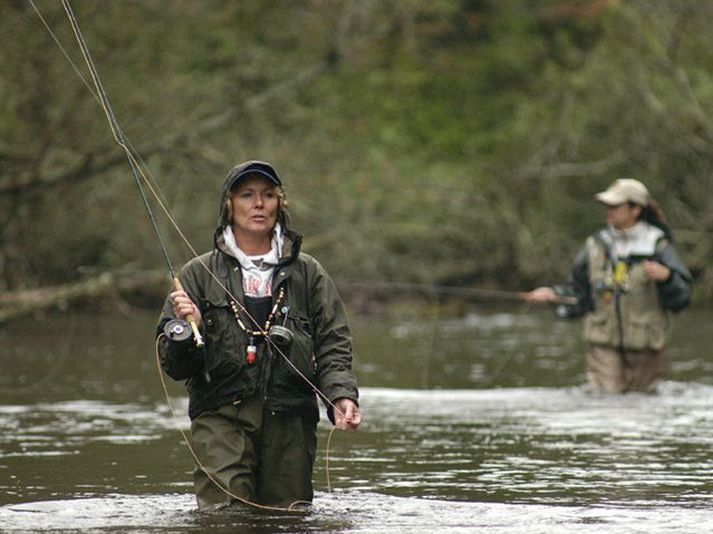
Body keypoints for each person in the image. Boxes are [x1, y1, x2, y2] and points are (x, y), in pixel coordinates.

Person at [156, 160, 361, 510]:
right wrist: (190, 331)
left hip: (291, 417)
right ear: (229, 205)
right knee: (225, 516)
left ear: (279, 204)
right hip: (220, 412)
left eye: (268, 195)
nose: (259, 204)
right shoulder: (197, 274)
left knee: (289, 517)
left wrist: (340, 396)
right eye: (247, 195)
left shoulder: (308, 272)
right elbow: (174, 365)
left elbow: (333, 343)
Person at [524, 178, 692, 393]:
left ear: (635, 209)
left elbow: (682, 299)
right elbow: (579, 293)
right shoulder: (595, 245)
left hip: (646, 348)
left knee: (642, 404)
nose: (608, 211)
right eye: (607, 206)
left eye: (615, 206)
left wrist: (667, 278)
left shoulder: (659, 245)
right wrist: (552, 295)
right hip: (603, 347)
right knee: (607, 402)